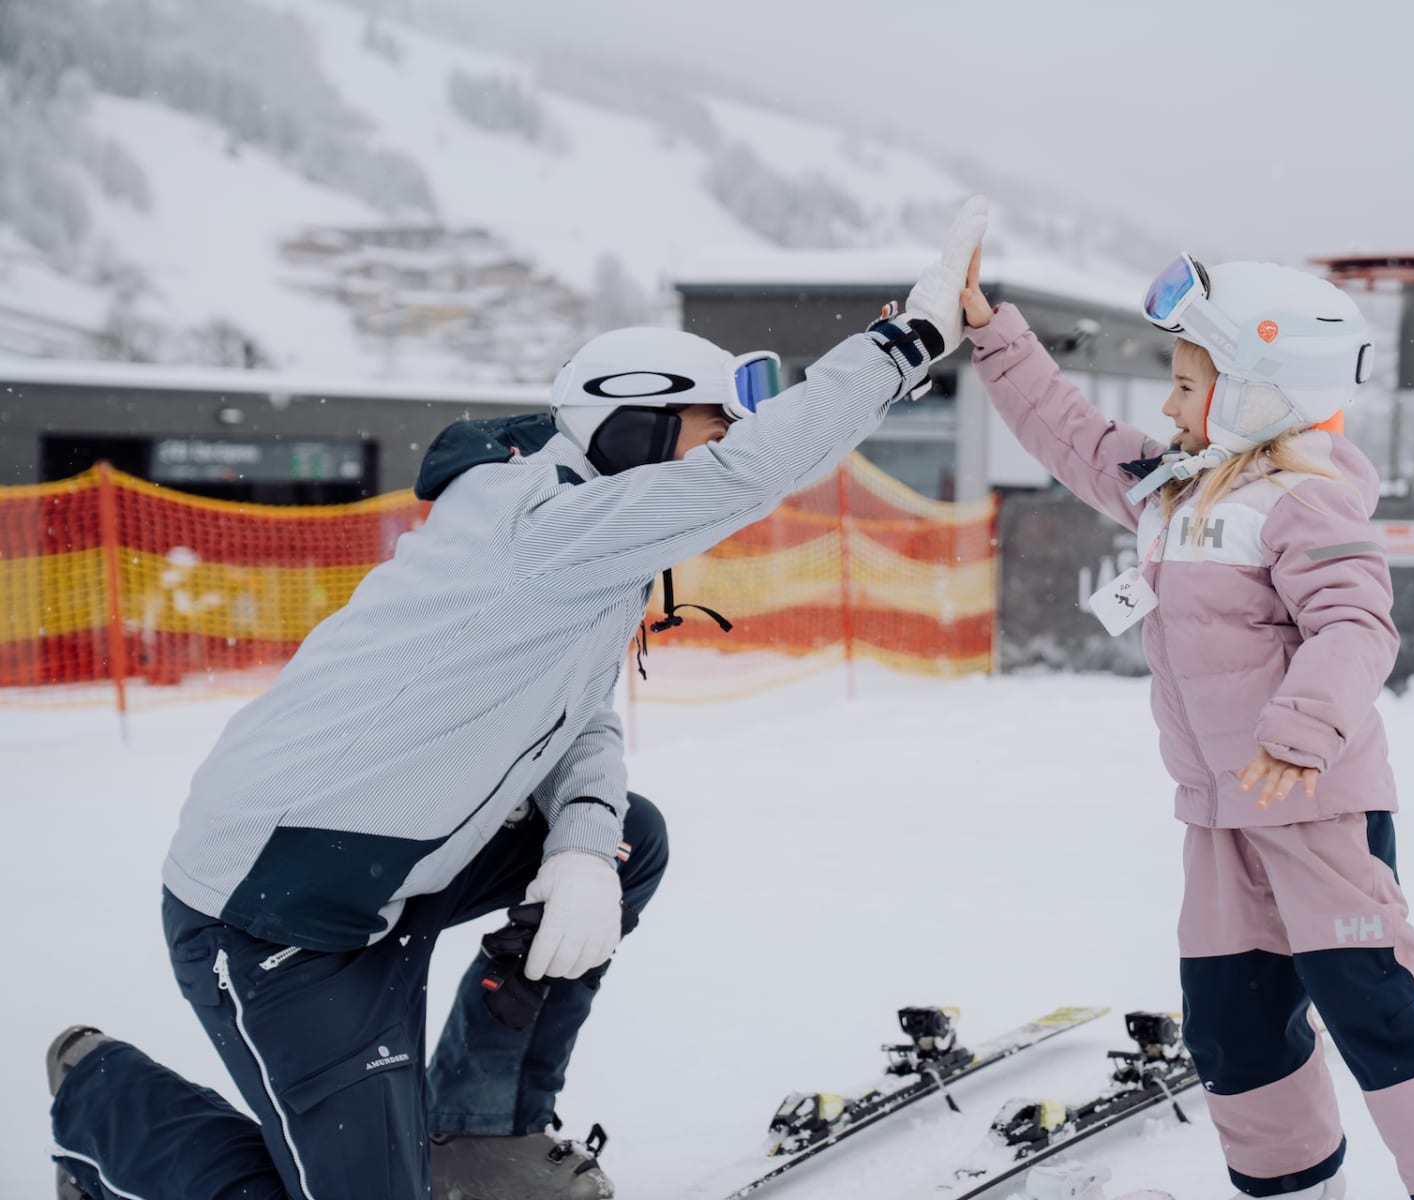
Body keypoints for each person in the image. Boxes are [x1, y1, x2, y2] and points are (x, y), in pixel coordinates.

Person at [45, 197, 989, 1200]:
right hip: (274, 913)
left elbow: (578, 718)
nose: (721, 451)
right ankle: (104, 1102)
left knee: (632, 834)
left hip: (392, 881)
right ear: (639, 423)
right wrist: (912, 337)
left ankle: (477, 1126)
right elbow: (745, 478)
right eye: (709, 428)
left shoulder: (589, 547)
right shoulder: (543, 521)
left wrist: (584, 844)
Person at [960, 249, 1414, 1200]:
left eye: (1188, 385)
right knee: (1234, 1022)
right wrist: (991, 332)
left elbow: (1356, 623)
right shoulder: (1172, 489)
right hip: (1220, 815)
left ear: (1258, 394)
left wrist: (1298, 728)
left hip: (1314, 802)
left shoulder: (1304, 501)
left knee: (1375, 1006)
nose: (1167, 406)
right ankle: (1294, 1187)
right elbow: (1070, 433)